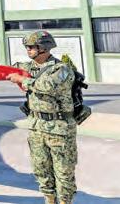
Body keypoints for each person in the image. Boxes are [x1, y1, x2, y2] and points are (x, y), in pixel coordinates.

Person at [7, 31, 78, 204]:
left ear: (44, 48)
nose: (28, 50)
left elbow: (47, 86)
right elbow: (2, 71)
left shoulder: (61, 69)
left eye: (32, 47)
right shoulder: (27, 67)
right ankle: (49, 199)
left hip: (59, 128)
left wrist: (21, 80)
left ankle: (65, 201)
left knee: (63, 172)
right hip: (36, 127)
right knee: (41, 169)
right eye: (27, 47)